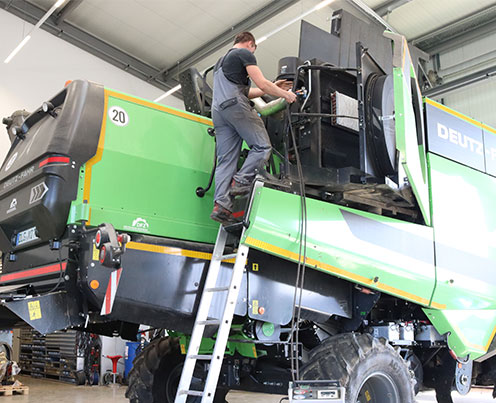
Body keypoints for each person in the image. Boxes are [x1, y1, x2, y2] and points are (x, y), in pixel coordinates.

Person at [210, 31, 297, 225]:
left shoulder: (220, 62)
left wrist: (274, 85)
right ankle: (240, 182)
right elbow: (263, 85)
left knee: (226, 160)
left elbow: (248, 91)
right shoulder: (245, 54)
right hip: (234, 106)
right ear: (251, 44)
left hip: (219, 112)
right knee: (262, 146)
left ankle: (221, 206)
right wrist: (286, 94)